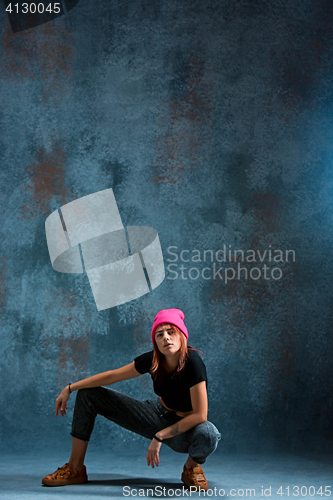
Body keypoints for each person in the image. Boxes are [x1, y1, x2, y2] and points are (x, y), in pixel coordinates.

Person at [42, 309, 221, 490]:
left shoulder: (193, 362)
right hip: (155, 415)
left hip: (185, 429)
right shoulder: (153, 360)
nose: (166, 338)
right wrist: (71, 387)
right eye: (160, 335)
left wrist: (160, 436)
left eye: (171, 332)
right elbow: (113, 376)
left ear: (182, 335)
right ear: (155, 342)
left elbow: (200, 415)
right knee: (88, 394)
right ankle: (75, 468)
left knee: (208, 434)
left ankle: (191, 468)